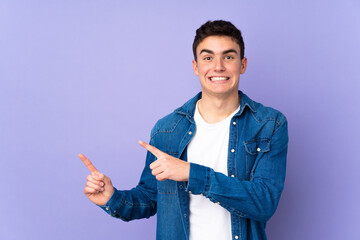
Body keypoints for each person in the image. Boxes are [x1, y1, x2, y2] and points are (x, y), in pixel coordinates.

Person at [79, 20, 288, 240]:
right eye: (208, 58)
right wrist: (112, 198)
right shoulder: (167, 130)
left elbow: (264, 203)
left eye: (228, 57)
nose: (218, 66)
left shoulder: (269, 124)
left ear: (242, 64)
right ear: (196, 66)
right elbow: (150, 198)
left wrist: (191, 173)